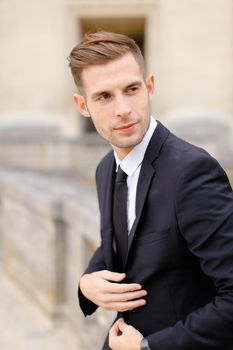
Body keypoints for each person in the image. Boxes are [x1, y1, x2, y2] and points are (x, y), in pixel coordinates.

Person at [68, 31, 233, 350]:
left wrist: (148, 347)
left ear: (150, 86)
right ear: (82, 105)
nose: (123, 109)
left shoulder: (192, 173)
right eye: (104, 96)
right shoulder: (106, 168)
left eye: (132, 89)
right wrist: (86, 282)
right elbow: (120, 240)